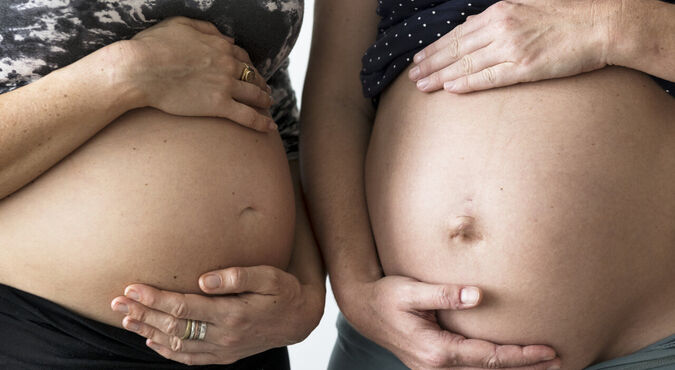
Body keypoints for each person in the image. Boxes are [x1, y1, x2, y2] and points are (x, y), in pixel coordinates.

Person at [301, 0, 674, 369]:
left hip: (650, 342)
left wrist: (612, 28)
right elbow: (339, 100)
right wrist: (356, 292)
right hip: (401, 344)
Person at [0, 1, 324, 368]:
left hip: (251, 336)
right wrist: (127, 71)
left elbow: (274, 109)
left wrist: (306, 295)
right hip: (51, 334)